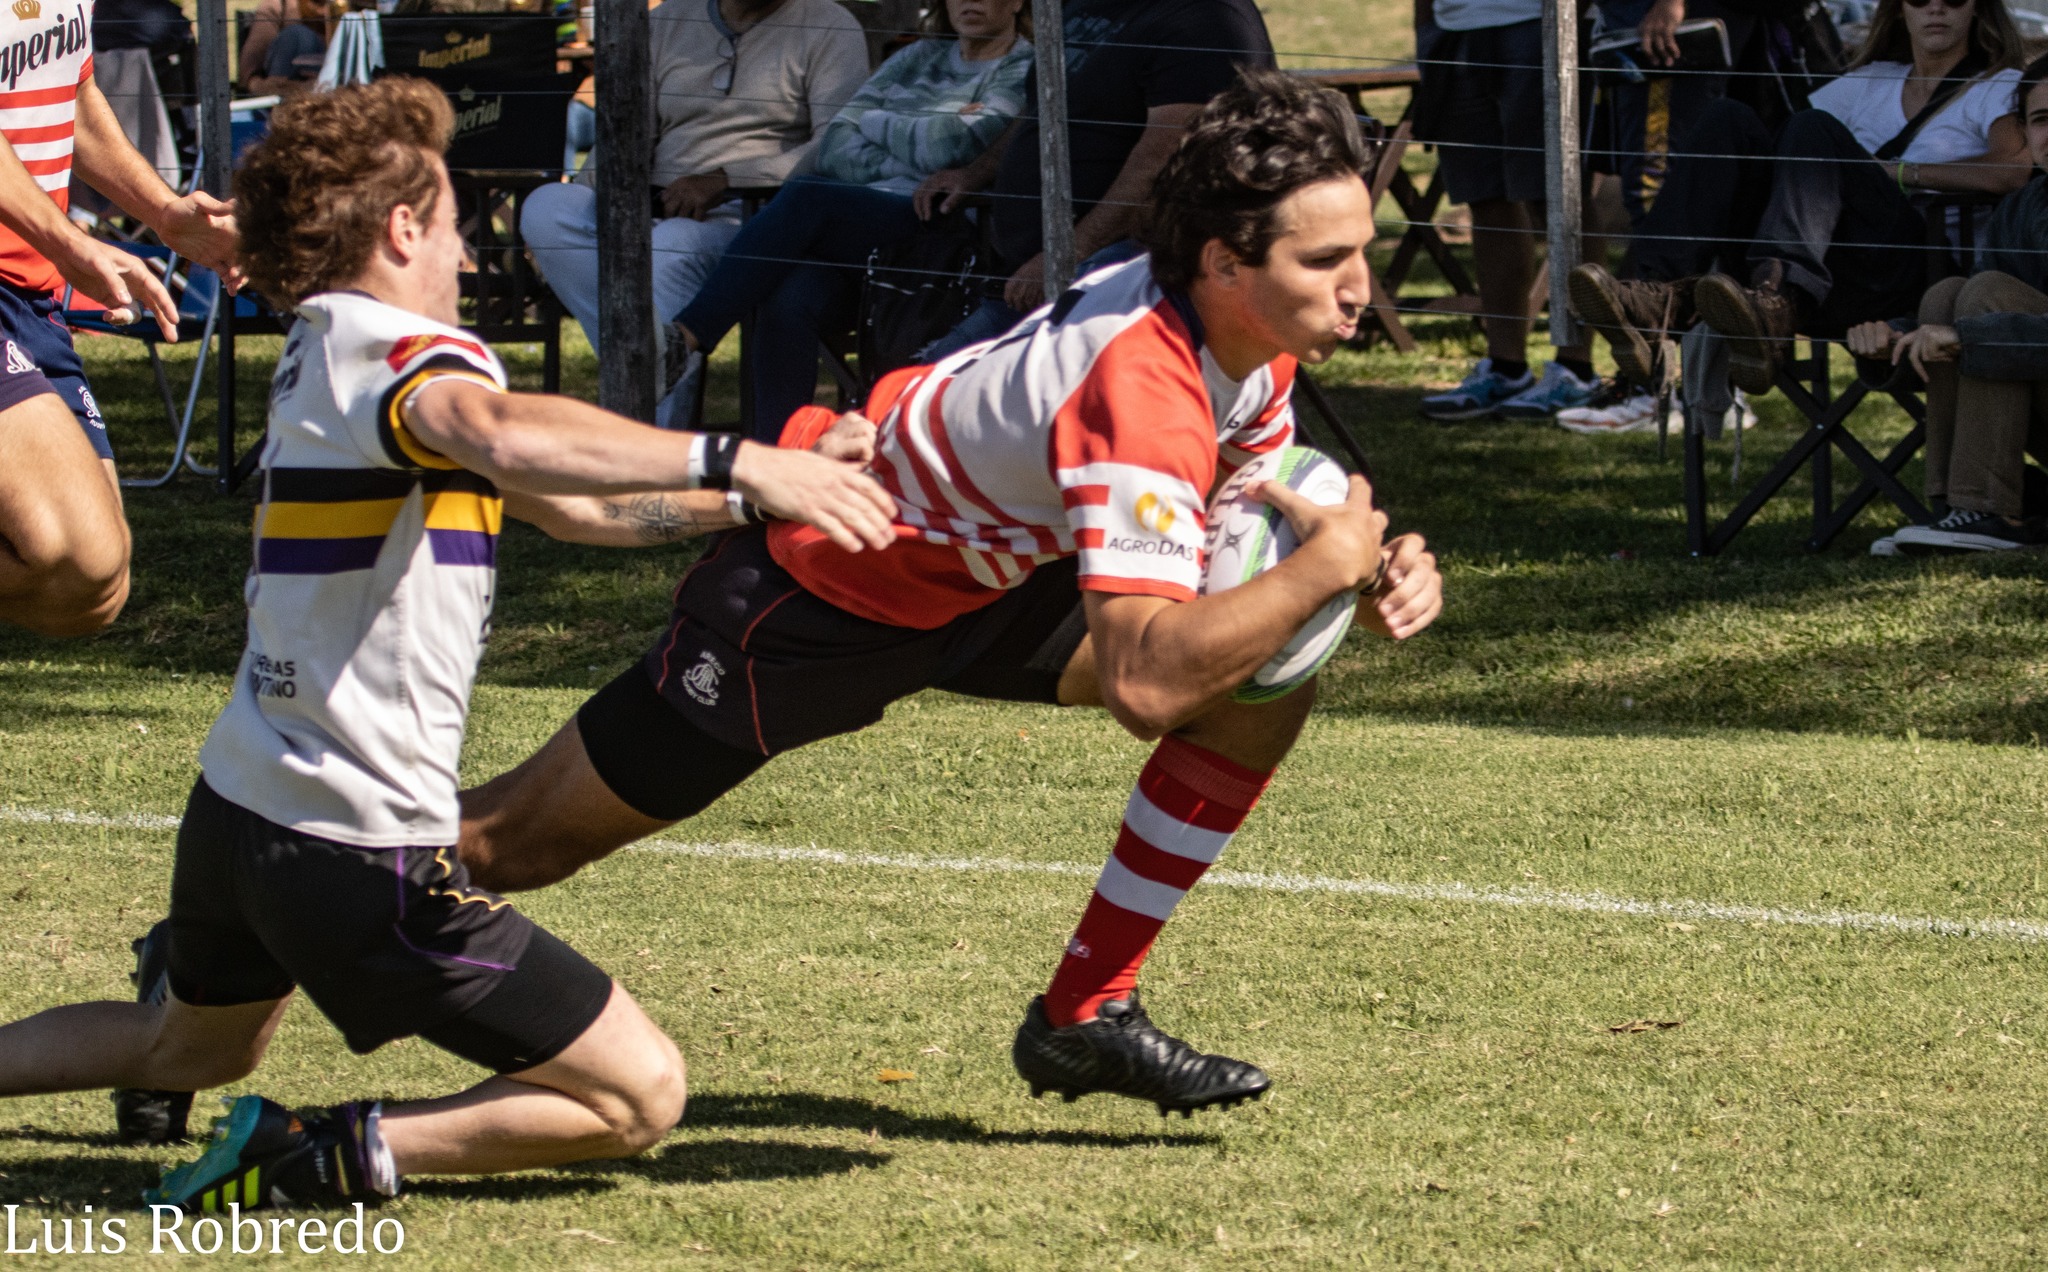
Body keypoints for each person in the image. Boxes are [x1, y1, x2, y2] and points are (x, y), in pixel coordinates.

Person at [456, 71, 1445, 1116]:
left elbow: (1241, 528)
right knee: (509, 844)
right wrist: (1317, 573)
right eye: (1324, 260)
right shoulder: (1141, 390)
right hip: (824, 588)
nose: (1357, 289)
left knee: (1256, 689)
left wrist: (1362, 576)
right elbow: (1145, 684)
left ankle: (1083, 1016)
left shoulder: (1248, 340)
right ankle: (303, 880)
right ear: (1223, 261)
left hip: (993, 574)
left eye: (1362, 254)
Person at [3, 77, 897, 1205]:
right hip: (348, 847)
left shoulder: (327, 349)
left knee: (181, 1049)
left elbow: (570, 506)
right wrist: (736, 456)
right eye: (457, 226)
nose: (469, 259)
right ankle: (318, 1151)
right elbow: (487, 425)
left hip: (241, 805)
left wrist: (761, 503)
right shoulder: (403, 358)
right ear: (402, 227)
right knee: (636, 1097)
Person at [1570, 0, 2030, 397]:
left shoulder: (1999, 84)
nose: (1935, 7)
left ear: (1978, 8)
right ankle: (1661, 297)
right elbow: (1792, 154)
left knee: (1814, 130)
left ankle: (1773, 297)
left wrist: (1898, 173)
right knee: (1727, 120)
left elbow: (2013, 170)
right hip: (1830, 276)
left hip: (1911, 270)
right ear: (1898, 9)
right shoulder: (1868, 80)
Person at [661, 0, 1032, 437]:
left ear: (1016, 2)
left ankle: (688, 337)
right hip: (868, 221)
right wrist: (916, 146)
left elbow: (951, 146)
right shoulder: (919, 55)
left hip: (946, 227)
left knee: (807, 196)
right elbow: (836, 143)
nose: (970, 2)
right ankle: (777, 461)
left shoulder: (1022, 66)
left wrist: (878, 125)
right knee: (789, 292)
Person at [0, 0, 238, 637]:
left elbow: (70, 92)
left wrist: (165, 215)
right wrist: (71, 242)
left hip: (30, 291)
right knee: (66, 545)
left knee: (93, 589)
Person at [518, 0, 870, 385]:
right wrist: (595, 191)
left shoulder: (831, 25)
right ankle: (647, 367)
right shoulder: (667, 20)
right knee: (545, 208)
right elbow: (627, 128)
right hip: (649, 202)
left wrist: (726, 178)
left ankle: (655, 414)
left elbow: (832, 146)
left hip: (757, 216)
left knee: (672, 245)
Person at [914, 0, 1275, 359]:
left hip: (1114, 281)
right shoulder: (1085, 4)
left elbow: (1164, 159)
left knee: (938, 387)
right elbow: (1044, 105)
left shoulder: (1205, 19)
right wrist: (975, 172)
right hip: (1023, 269)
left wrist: (1067, 255)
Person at [1851, 54, 2048, 552]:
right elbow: (1970, 310)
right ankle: (1954, 511)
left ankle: (1985, 510)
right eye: (2043, 120)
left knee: (1983, 299)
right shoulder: (2027, 205)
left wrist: (1969, 337)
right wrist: (1891, 337)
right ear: (2025, 133)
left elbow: (1987, 315)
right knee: (1948, 296)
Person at [1414, 0, 1601, 421]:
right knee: (1485, 198)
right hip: (1454, 31)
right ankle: (1506, 366)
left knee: (1558, 195)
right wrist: (1426, 26)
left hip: (1545, 25)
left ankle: (1575, 369)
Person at [246, 0, 330, 97]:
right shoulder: (279, 5)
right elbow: (249, 73)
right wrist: (266, 88)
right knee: (297, 35)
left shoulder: (347, 7)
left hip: (338, 95)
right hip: (285, 92)